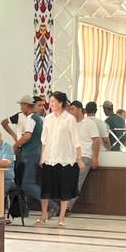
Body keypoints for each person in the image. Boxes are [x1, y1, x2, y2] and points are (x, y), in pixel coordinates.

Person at [36, 91, 83, 228]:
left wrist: (79, 158)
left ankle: (61, 217)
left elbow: (76, 140)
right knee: (45, 189)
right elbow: (44, 140)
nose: (50, 104)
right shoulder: (48, 118)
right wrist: (42, 157)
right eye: (50, 101)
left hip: (65, 159)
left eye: (53, 101)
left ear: (60, 103)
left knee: (64, 190)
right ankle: (44, 214)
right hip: (49, 158)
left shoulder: (70, 119)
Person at [67, 101, 102, 212]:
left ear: (80, 109)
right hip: (71, 157)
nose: (71, 112)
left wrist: (95, 158)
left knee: (76, 181)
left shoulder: (89, 123)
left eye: (72, 109)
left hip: (85, 156)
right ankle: (62, 205)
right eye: (70, 109)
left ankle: (67, 206)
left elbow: (96, 140)